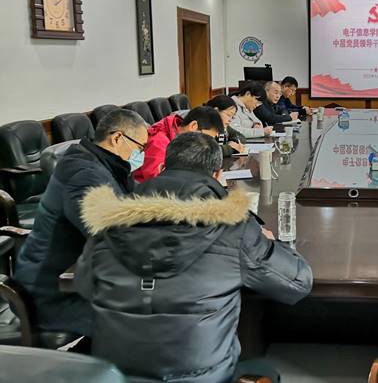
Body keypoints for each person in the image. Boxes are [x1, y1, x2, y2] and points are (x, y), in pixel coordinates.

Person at [75, 133, 312, 382]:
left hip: (116, 376)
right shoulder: (233, 227)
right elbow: (298, 282)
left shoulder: (108, 222)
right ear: (218, 176)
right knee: (266, 370)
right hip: (204, 378)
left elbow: (83, 285)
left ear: (162, 168)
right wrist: (271, 243)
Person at [12, 109, 148, 337]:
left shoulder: (107, 165)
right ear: (117, 138)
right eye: (140, 148)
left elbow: (136, 201)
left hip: (77, 280)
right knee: (146, 319)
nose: (141, 155)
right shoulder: (83, 174)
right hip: (50, 296)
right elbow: (113, 237)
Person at [133, 106, 224, 183]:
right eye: (206, 137)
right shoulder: (158, 143)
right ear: (193, 126)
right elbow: (160, 183)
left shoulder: (183, 139)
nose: (207, 143)